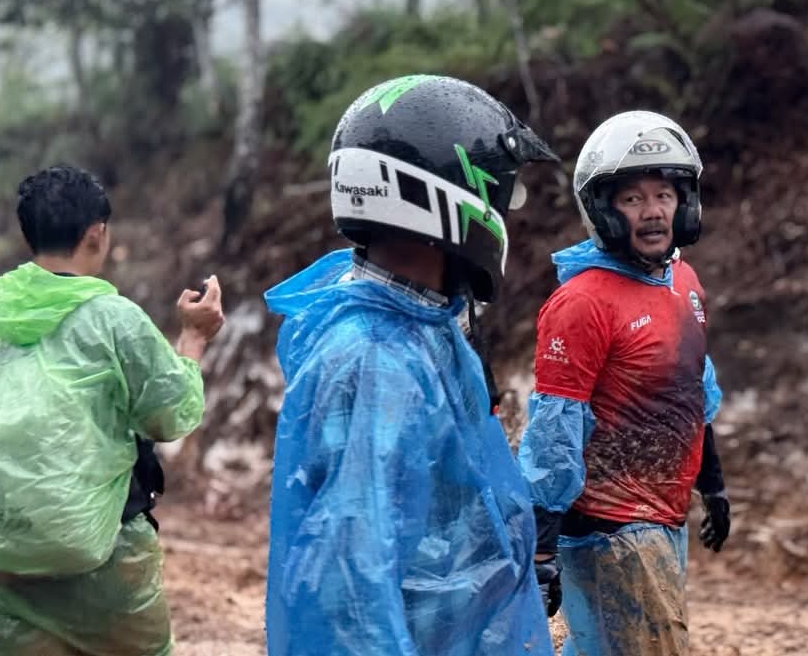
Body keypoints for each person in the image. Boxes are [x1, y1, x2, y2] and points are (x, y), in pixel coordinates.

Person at [263, 74, 562, 656]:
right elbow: (350, 584)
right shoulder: (376, 360)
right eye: (501, 197)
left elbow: (455, 497)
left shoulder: (420, 326)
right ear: (446, 195)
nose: (507, 214)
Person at [0, 164, 223, 656]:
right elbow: (171, 415)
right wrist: (193, 338)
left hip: (3, 560)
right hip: (105, 566)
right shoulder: (114, 320)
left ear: (29, 235)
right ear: (97, 234)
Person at [518, 110, 730, 656]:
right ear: (603, 210)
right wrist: (541, 552)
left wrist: (713, 485)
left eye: (664, 195)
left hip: (664, 518)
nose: (653, 211)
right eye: (633, 199)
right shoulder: (582, 302)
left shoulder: (683, 283)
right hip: (607, 529)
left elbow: (693, 393)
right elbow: (553, 432)